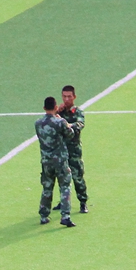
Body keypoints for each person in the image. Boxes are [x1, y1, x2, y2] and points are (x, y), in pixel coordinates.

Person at [35, 96, 75, 226]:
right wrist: (66, 123)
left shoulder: (38, 123)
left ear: (44, 108)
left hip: (46, 160)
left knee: (47, 187)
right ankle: (65, 215)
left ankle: (43, 215)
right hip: (60, 160)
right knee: (65, 186)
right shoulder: (59, 122)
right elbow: (70, 134)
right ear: (56, 107)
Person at [54, 85, 89, 213]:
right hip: (61, 150)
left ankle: (83, 202)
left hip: (74, 151)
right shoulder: (59, 112)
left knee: (77, 177)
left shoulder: (78, 112)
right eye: (64, 96)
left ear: (74, 97)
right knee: (62, 177)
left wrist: (67, 125)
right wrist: (56, 112)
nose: (66, 99)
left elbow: (80, 124)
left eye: (69, 96)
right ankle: (63, 201)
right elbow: (50, 122)